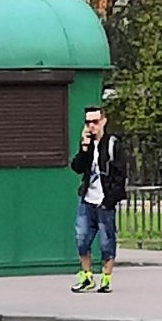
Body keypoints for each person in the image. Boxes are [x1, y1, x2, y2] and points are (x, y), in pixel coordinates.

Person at [70, 105, 127, 292]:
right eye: (88, 122)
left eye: (95, 122)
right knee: (82, 239)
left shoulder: (112, 144)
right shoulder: (88, 144)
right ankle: (87, 276)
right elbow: (77, 167)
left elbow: (120, 175)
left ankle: (106, 277)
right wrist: (84, 147)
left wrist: (109, 200)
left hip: (104, 201)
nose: (91, 126)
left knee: (106, 241)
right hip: (87, 199)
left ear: (103, 121)